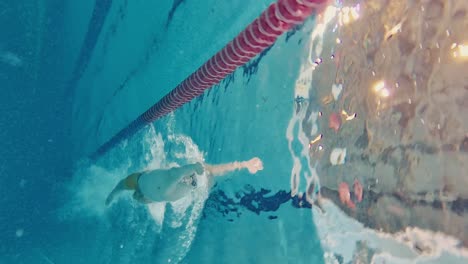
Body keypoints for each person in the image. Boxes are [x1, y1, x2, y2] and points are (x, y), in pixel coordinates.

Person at [105, 157, 264, 205]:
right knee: (210, 176)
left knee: (209, 174)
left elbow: (176, 173)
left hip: (153, 183)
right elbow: (175, 173)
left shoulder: (155, 188)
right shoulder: (149, 183)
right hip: (164, 184)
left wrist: (113, 194)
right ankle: (244, 165)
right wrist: (195, 166)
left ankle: (244, 165)